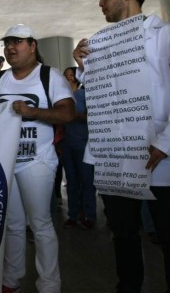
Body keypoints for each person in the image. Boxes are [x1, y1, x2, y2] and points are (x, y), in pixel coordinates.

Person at [74, 0, 170, 293]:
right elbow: (105, 94)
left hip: (159, 153)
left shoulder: (167, 35)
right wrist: (86, 66)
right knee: (123, 232)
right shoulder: (100, 43)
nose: (101, 4)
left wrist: (166, 143)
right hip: (117, 154)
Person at [0, 25, 74, 293]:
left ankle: (50, 284)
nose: (10, 47)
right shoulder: (0, 79)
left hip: (37, 161)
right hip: (5, 162)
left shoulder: (49, 75)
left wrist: (33, 112)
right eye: (7, 43)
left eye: (17, 42)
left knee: (40, 223)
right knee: (13, 223)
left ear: (32, 45)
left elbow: (66, 114)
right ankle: (12, 277)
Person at [60, 67, 96, 230]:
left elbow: (92, 118)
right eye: (65, 75)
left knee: (87, 182)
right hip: (67, 144)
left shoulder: (84, 95)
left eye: (71, 75)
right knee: (71, 181)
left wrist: (75, 115)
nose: (68, 78)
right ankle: (73, 215)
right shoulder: (60, 97)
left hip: (83, 143)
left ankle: (90, 215)